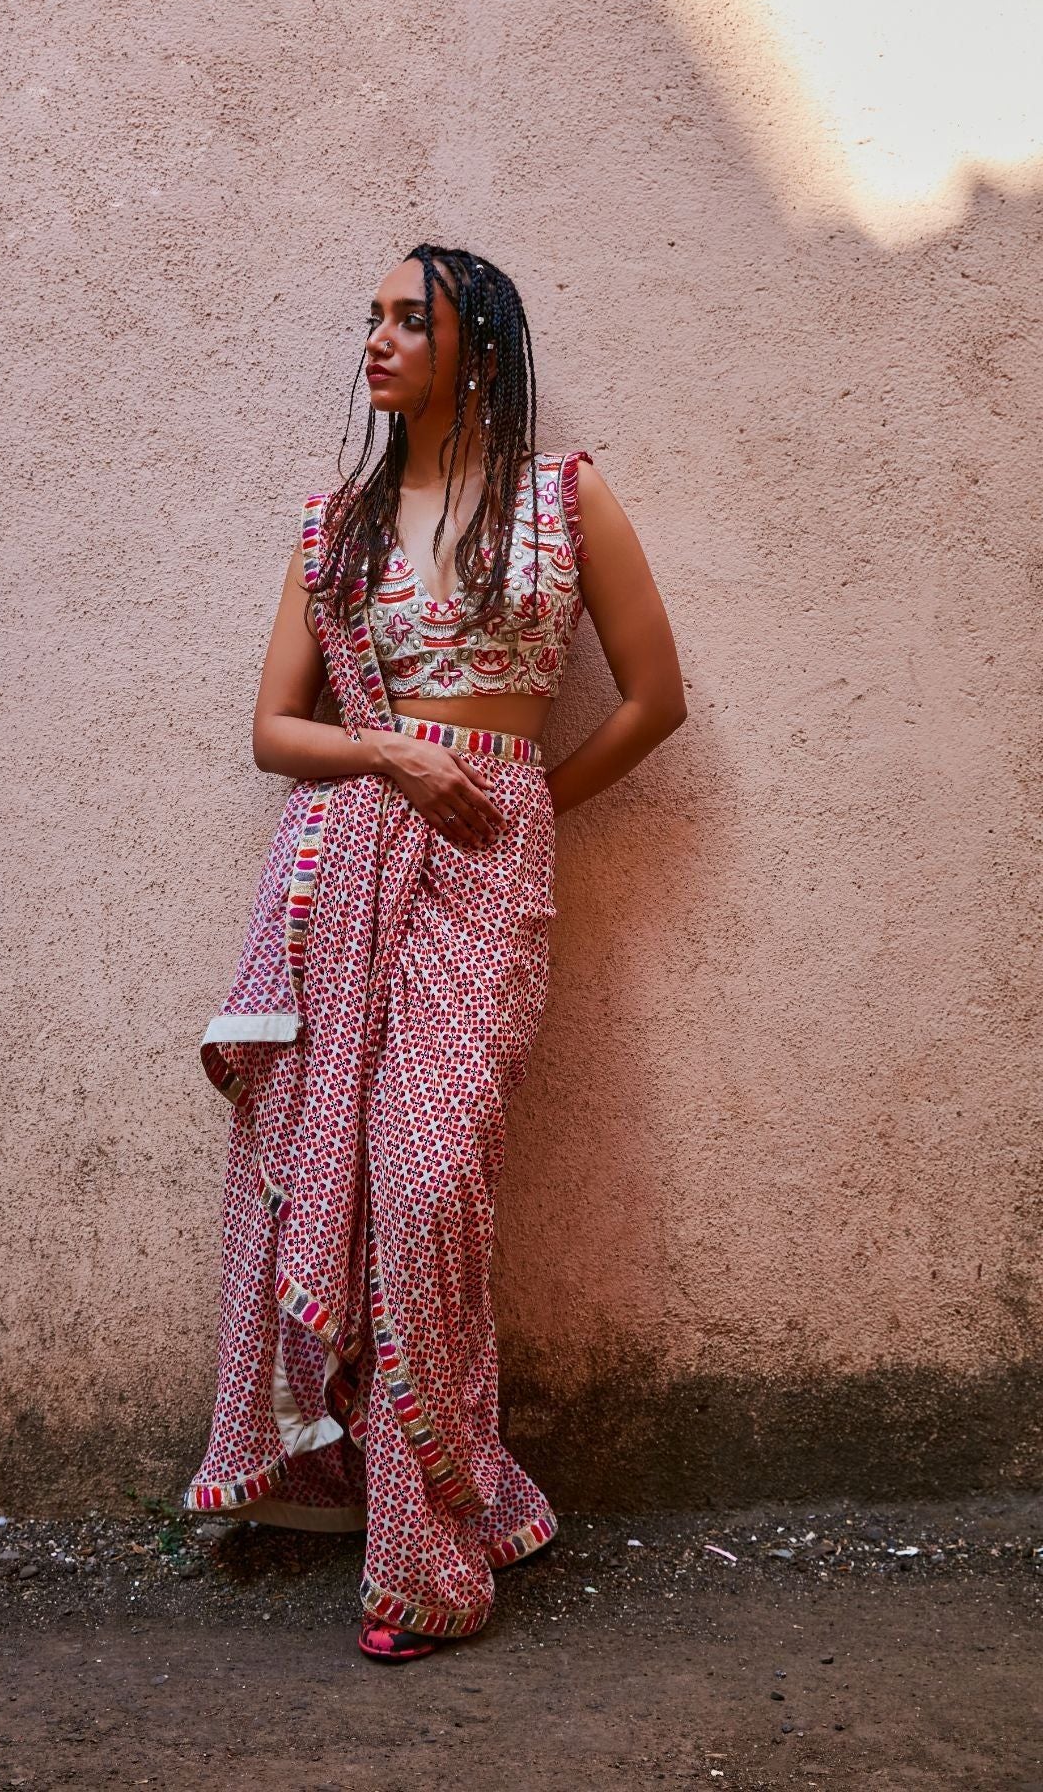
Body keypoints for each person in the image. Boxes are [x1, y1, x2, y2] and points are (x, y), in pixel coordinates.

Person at [183, 243, 687, 1661]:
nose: (380, 338)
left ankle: (453, 1514)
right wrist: (396, 757)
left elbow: (656, 699)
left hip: (488, 880)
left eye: (413, 318)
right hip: (351, 864)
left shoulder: (564, 499)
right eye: (374, 317)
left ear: (482, 347)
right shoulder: (337, 528)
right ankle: (425, 1550)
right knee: (359, 1188)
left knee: (426, 1186)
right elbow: (276, 731)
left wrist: (524, 807)